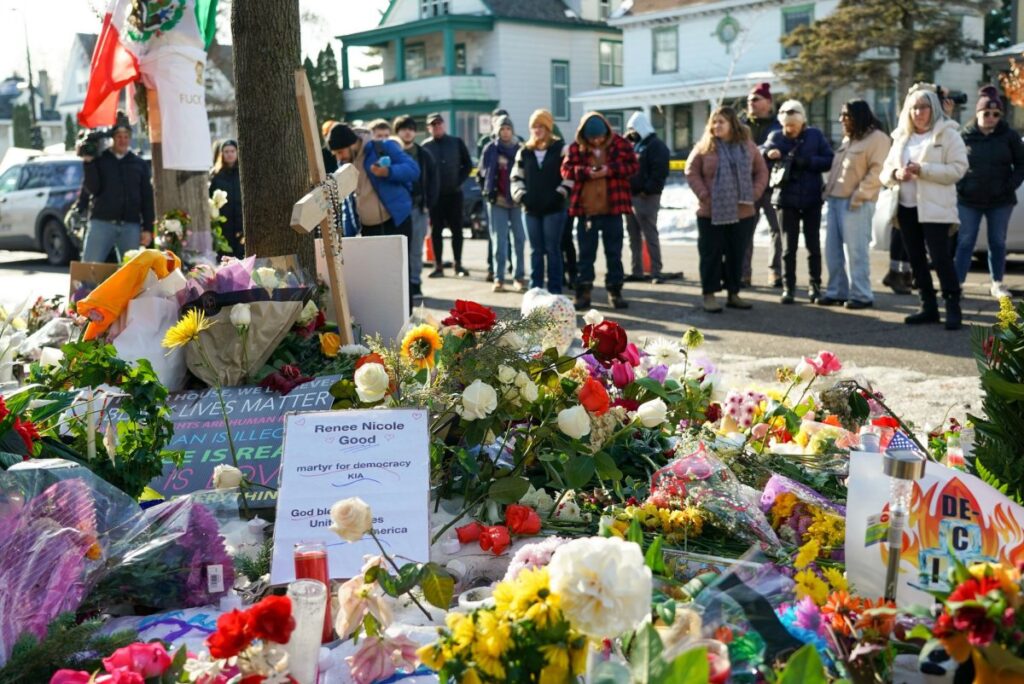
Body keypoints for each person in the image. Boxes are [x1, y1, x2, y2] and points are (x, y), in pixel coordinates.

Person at [880, 84, 969, 330]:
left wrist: (924, 170)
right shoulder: (901, 137)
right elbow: (884, 173)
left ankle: (952, 305)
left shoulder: (948, 133)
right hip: (907, 207)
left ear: (934, 109)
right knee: (916, 258)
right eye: (914, 108)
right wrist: (897, 173)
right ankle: (928, 306)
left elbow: (958, 169)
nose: (918, 112)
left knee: (941, 259)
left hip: (936, 209)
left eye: (924, 107)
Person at [686, 106, 769, 313]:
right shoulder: (704, 147)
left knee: (736, 254)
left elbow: (761, 172)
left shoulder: (747, 146)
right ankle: (710, 295)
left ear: (732, 124)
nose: (716, 126)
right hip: (710, 213)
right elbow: (691, 171)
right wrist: (704, 195)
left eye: (721, 121)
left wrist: (755, 193)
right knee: (710, 254)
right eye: (714, 122)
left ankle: (734, 293)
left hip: (742, 212)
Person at [328, 122, 420, 309]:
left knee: (400, 273)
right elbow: (347, 201)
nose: (339, 157)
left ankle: (407, 318)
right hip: (369, 227)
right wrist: (348, 234)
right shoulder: (345, 163)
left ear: (351, 144)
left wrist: (388, 172)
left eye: (340, 152)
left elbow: (413, 170)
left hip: (396, 220)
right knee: (376, 278)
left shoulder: (383, 147)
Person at [561, 112, 639, 309]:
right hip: (586, 211)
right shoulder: (575, 148)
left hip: (613, 208)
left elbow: (633, 166)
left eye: (600, 137)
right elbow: (566, 170)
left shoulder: (620, 144)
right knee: (586, 254)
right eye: (592, 138)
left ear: (606, 133)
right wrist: (586, 172)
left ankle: (615, 291)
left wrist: (609, 170)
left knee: (614, 253)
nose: (596, 141)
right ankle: (583, 292)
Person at [954, 86, 1024, 299]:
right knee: (965, 240)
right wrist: (961, 186)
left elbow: (1021, 164)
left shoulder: (1008, 136)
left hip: (1000, 200)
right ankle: (956, 284)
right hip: (968, 199)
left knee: (997, 241)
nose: (991, 117)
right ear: (977, 113)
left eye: (996, 114)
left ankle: (997, 283)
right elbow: (954, 164)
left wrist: (1009, 186)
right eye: (986, 113)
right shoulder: (963, 135)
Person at [820, 101, 891, 308]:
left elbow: (878, 171)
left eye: (846, 115)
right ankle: (836, 291)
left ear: (859, 116)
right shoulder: (849, 139)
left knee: (856, 251)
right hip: (834, 200)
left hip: (857, 203)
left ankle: (861, 294)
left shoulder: (878, 139)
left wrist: (860, 195)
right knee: (832, 250)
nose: (841, 119)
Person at [763, 100, 834, 304]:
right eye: (786, 126)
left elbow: (829, 159)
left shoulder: (815, 136)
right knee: (788, 247)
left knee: (813, 245)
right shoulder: (776, 136)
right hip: (786, 198)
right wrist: (769, 153)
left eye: (793, 125)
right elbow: (762, 150)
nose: (790, 130)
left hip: (812, 197)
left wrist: (808, 162)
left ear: (802, 122)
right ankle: (789, 287)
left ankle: (815, 286)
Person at [511, 109, 571, 294]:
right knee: (535, 251)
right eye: (534, 126)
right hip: (530, 210)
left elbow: (570, 175)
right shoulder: (524, 151)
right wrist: (522, 196)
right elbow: (515, 178)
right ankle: (535, 291)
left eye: (541, 126)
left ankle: (555, 291)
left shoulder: (561, 149)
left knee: (553, 250)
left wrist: (559, 194)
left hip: (554, 209)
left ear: (548, 127)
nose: (537, 130)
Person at [79, 115, 154, 263]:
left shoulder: (139, 164)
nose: (122, 140)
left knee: (130, 272)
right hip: (102, 222)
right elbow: (92, 189)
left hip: (130, 225)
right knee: (89, 268)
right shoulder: (101, 160)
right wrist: (88, 164)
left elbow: (147, 198)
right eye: (119, 136)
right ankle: (87, 288)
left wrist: (148, 228)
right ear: (113, 138)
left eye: (126, 136)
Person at [741, 83, 783, 288]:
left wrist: (758, 151)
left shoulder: (778, 125)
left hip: (773, 186)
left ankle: (775, 272)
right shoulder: (741, 125)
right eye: (749, 100)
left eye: (756, 99)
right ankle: (744, 273)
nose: (751, 103)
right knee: (746, 229)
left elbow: (773, 145)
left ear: (768, 102)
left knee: (777, 229)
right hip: (748, 185)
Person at [479, 114, 527, 292]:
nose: (505, 132)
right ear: (497, 131)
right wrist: (488, 191)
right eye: (502, 129)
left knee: (519, 240)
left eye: (508, 129)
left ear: (512, 130)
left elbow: (525, 172)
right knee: (498, 240)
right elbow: (482, 173)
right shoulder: (490, 148)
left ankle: (519, 276)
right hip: (496, 200)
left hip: (516, 200)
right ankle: (498, 278)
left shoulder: (520, 148)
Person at [393, 115, 439, 299]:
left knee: (416, 249)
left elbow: (434, 181)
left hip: (418, 207)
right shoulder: (391, 153)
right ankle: (399, 285)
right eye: (404, 128)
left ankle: (415, 283)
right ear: (397, 132)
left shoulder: (424, 154)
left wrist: (429, 204)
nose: (408, 131)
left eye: (411, 128)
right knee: (397, 248)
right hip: (396, 209)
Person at [624, 111, 673, 284]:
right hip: (631, 196)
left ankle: (656, 271)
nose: (631, 132)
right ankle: (636, 270)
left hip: (647, 197)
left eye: (633, 129)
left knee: (649, 234)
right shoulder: (636, 145)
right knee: (633, 235)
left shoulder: (655, 146)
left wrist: (647, 189)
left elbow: (659, 171)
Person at [422, 113, 472, 278]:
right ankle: (438, 266)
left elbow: (468, 164)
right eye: (433, 125)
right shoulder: (425, 147)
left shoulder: (456, 142)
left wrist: (459, 181)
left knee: (457, 230)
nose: (437, 127)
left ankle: (458, 264)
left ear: (444, 125)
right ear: (429, 128)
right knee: (436, 231)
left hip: (454, 194)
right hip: (436, 197)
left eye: (439, 124)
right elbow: (423, 172)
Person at [210, 139, 244, 259]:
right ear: (222, 154)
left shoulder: (243, 173)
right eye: (226, 151)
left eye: (232, 151)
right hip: (224, 225)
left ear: (237, 152)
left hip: (241, 224)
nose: (229, 154)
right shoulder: (216, 176)